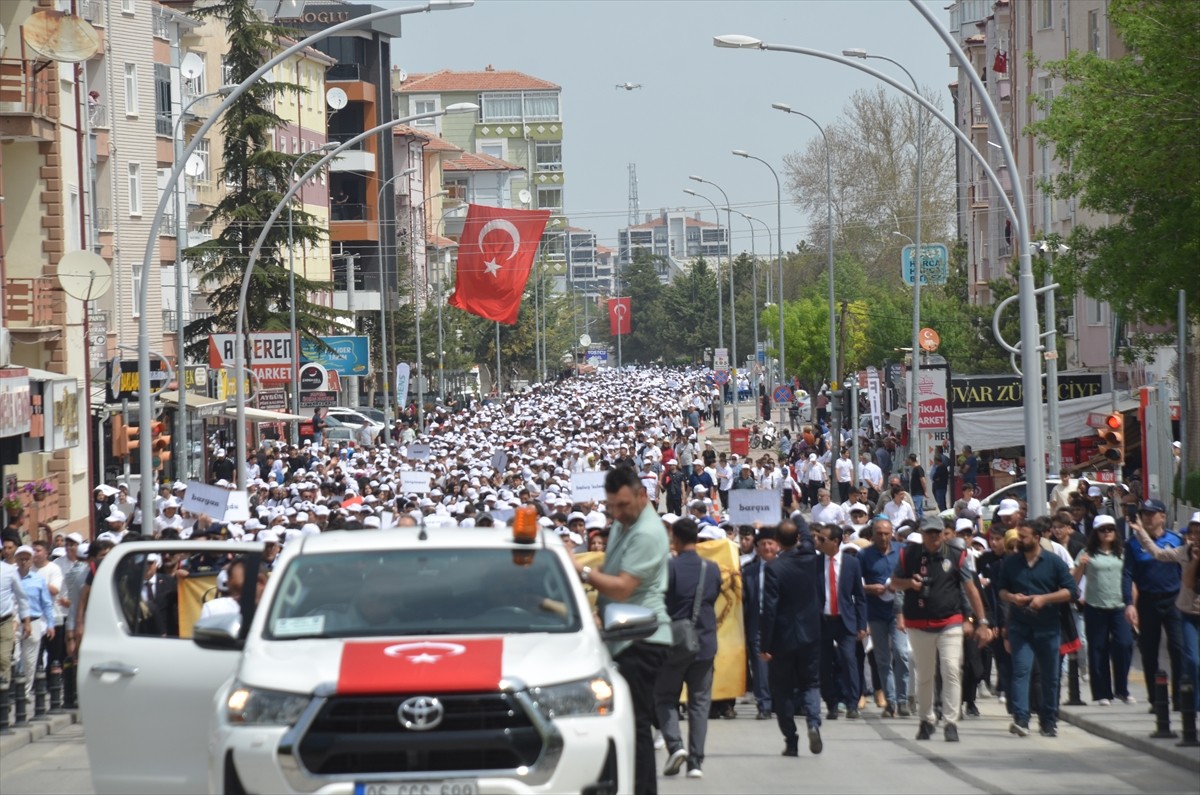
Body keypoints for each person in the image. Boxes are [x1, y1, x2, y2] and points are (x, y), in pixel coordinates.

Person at [572, 466, 670, 795]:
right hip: (620, 636)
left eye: (624, 505)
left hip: (642, 639)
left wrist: (581, 571)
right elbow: (611, 568)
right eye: (612, 506)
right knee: (624, 725)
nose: (617, 512)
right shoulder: (624, 523)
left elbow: (623, 587)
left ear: (643, 495)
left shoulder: (647, 532)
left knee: (637, 726)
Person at [892, 516, 992, 742]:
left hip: (949, 621)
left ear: (944, 534)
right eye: (929, 533)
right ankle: (926, 719)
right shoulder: (908, 555)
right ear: (923, 534)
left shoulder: (956, 556)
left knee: (951, 670)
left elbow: (970, 589)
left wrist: (981, 622)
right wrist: (910, 584)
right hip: (919, 623)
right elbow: (894, 583)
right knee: (925, 675)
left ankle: (950, 722)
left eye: (938, 532)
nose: (934, 537)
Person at [997, 518, 1077, 737]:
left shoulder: (1054, 562)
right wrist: (1012, 597)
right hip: (1020, 627)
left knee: (1050, 676)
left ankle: (1048, 720)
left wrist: (1044, 599)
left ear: (1037, 537)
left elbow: (1071, 592)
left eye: (1024, 536)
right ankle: (1021, 719)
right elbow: (1001, 590)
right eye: (1018, 536)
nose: (1020, 540)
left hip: (1048, 628)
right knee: (1021, 671)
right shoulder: (1011, 563)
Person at [655, 518, 719, 780]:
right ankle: (696, 762)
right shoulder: (712, 568)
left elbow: (660, 601)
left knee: (665, 697)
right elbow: (713, 597)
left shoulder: (669, 567)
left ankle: (675, 745)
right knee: (700, 703)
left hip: (675, 643)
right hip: (704, 643)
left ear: (676, 540)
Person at [760, 520, 824, 758]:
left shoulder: (774, 568)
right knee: (810, 683)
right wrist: (795, 511)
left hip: (783, 638)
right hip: (810, 632)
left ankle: (791, 739)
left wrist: (765, 644)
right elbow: (807, 534)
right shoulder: (809, 557)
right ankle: (813, 722)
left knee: (783, 690)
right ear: (797, 538)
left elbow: (769, 609)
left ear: (776, 541)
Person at [1127, 510, 1199, 711]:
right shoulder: (1185, 551)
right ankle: (1172, 702)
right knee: (1185, 658)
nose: (1195, 536)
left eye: (1199, 532)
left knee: (1180, 653)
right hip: (1177, 608)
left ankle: (1182, 698)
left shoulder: (1174, 539)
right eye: (1193, 532)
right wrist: (1141, 532)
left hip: (1174, 603)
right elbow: (1157, 553)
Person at [1073, 514, 1134, 705]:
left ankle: (1122, 689)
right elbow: (1073, 582)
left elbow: (1131, 580)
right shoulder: (1087, 553)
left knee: (1124, 644)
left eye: (1110, 529)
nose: (1107, 533)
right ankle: (1102, 693)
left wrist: (1133, 606)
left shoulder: (1123, 553)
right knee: (1098, 649)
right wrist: (1081, 566)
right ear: (1096, 533)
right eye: (1102, 530)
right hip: (1095, 606)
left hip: (1119, 606)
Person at [814, 525, 867, 720]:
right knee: (824, 665)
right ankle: (831, 704)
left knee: (849, 661)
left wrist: (862, 625)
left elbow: (859, 597)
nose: (818, 542)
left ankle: (852, 703)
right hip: (824, 621)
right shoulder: (816, 563)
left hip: (845, 621)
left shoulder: (851, 564)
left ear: (835, 541)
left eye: (823, 539)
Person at [858, 517, 910, 717]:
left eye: (886, 533)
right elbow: (856, 584)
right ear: (872, 535)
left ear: (892, 533)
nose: (883, 537)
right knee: (882, 659)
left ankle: (903, 699)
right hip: (876, 613)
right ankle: (891, 701)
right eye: (879, 533)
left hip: (898, 613)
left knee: (902, 653)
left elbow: (910, 579)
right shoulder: (864, 555)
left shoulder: (901, 551)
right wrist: (870, 588)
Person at [742, 527, 779, 720]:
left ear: (777, 545)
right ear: (757, 547)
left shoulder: (786, 568)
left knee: (780, 666)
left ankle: (780, 702)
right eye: (762, 543)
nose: (766, 547)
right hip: (758, 623)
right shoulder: (749, 571)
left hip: (780, 625)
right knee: (760, 666)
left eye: (770, 543)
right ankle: (764, 704)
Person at [14, 545, 55, 704]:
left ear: (31, 561)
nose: (24, 562)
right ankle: (10, 687)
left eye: (27, 559)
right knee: (14, 656)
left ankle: (24, 693)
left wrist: (50, 624)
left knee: (30, 661)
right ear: (16, 560)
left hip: (34, 620)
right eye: (21, 559)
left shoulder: (38, 580)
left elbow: (46, 604)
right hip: (15, 621)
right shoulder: (11, 577)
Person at [1, 548, 32, 691]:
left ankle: (3, 698)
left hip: (5, 621)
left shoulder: (9, 571)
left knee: (3, 659)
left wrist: (26, 621)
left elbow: (21, 597)